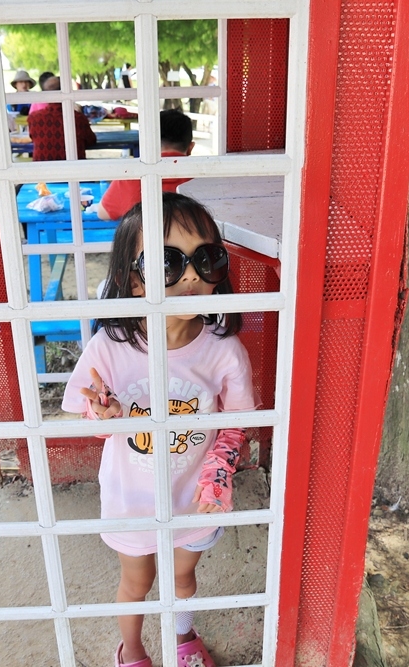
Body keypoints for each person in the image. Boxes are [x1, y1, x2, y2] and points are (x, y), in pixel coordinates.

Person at [62, 193, 254, 667]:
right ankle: (132, 648)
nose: (190, 275)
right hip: (133, 500)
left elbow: (239, 425)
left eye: (205, 259)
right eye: (168, 262)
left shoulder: (224, 352)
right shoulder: (110, 347)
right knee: (137, 582)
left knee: (184, 579)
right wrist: (101, 418)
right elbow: (87, 416)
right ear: (132, 278)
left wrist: (218, 475)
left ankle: (184, 638)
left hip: (196, 497)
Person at [97, 109, 194, 220]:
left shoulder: (131, 174)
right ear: (190, 147)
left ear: (148, 144)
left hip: (142, 237)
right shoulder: (203, 174)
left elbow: (103, 213)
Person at [27, 76, 97, 161]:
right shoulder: (78, 118)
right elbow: (91, 140)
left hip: (42, 170)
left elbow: (33, 138)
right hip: (73, 170)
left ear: (45, 95)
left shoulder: (34, 118)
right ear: (67, 92)